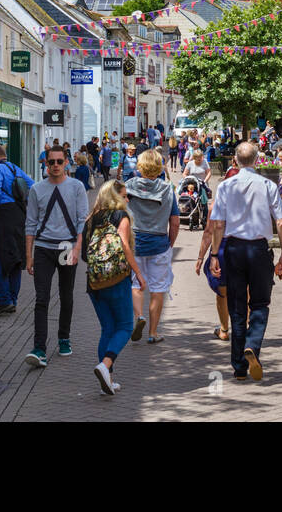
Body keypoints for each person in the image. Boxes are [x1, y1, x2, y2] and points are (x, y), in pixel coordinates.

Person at [207, 141, 282, 381]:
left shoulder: (225, 186)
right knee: (260, 302)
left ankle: (239, 367)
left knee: (237, 305)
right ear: (257, 160)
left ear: (235, 160)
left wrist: (214, 254)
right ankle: (252, 344)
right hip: (259, 249)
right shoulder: (267, 185)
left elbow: (218, 224)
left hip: (233, 249)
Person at [23, 144, 89, 368]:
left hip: (66, 247)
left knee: (66, 295)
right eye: (51, 162)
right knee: (41, 298)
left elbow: (82, 220)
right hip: (43, 248)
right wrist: (29, 256)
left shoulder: (77, 187)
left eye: (59, 162)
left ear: (66, 163)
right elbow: (30, 224)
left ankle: (64, 338)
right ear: (46, 164)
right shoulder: (36, 189)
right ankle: (39, 347)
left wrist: (77, 249)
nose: (55, 166)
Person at [81, 180, 143, 395]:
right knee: (126, 326)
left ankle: (108, 380)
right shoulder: (120, 216)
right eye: (125, 196)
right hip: (117, 280)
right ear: (116, 197)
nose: (127, 200)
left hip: (95, 281)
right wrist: (138, 272)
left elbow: (83, 256)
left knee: (107, 329)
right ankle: (105, 365)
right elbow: (124, 245)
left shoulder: (91, 220)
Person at [124, 148, 179, 344]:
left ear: (140, 166)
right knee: (158, 289)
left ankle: (139, 316)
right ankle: (153, 333)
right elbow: (174, 221)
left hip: (135, 242)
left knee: (136, 285)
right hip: (159, 243)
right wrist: (170, 244)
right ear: (159, 167)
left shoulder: (128, 186)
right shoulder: (167, 189)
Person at [0, 144, 32, 316]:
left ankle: (3, 300)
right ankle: (13, 299)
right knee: (15, 259)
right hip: (19, 215)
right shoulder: (15, 168)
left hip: (3, 215)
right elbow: (32, 186)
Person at [195, 219, 231, 341]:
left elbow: (209, 231)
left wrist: (200, 257)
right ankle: (247, 329)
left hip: (222, 247)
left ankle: (224, 330)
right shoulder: (248, 199)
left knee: (222, 292)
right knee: (246, 289)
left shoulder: (216, 204)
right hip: (244, 246)